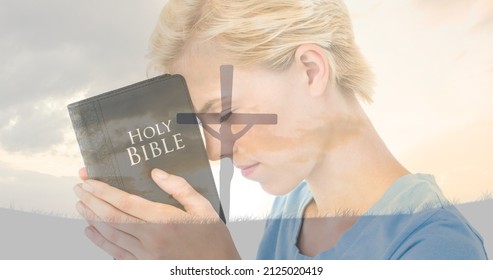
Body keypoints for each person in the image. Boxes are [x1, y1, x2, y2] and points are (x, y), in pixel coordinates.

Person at [73, 0, 488, 259]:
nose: (216, 151)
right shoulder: (290, 211)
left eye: (226, 111)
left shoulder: (438, 250)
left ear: (311, 70)